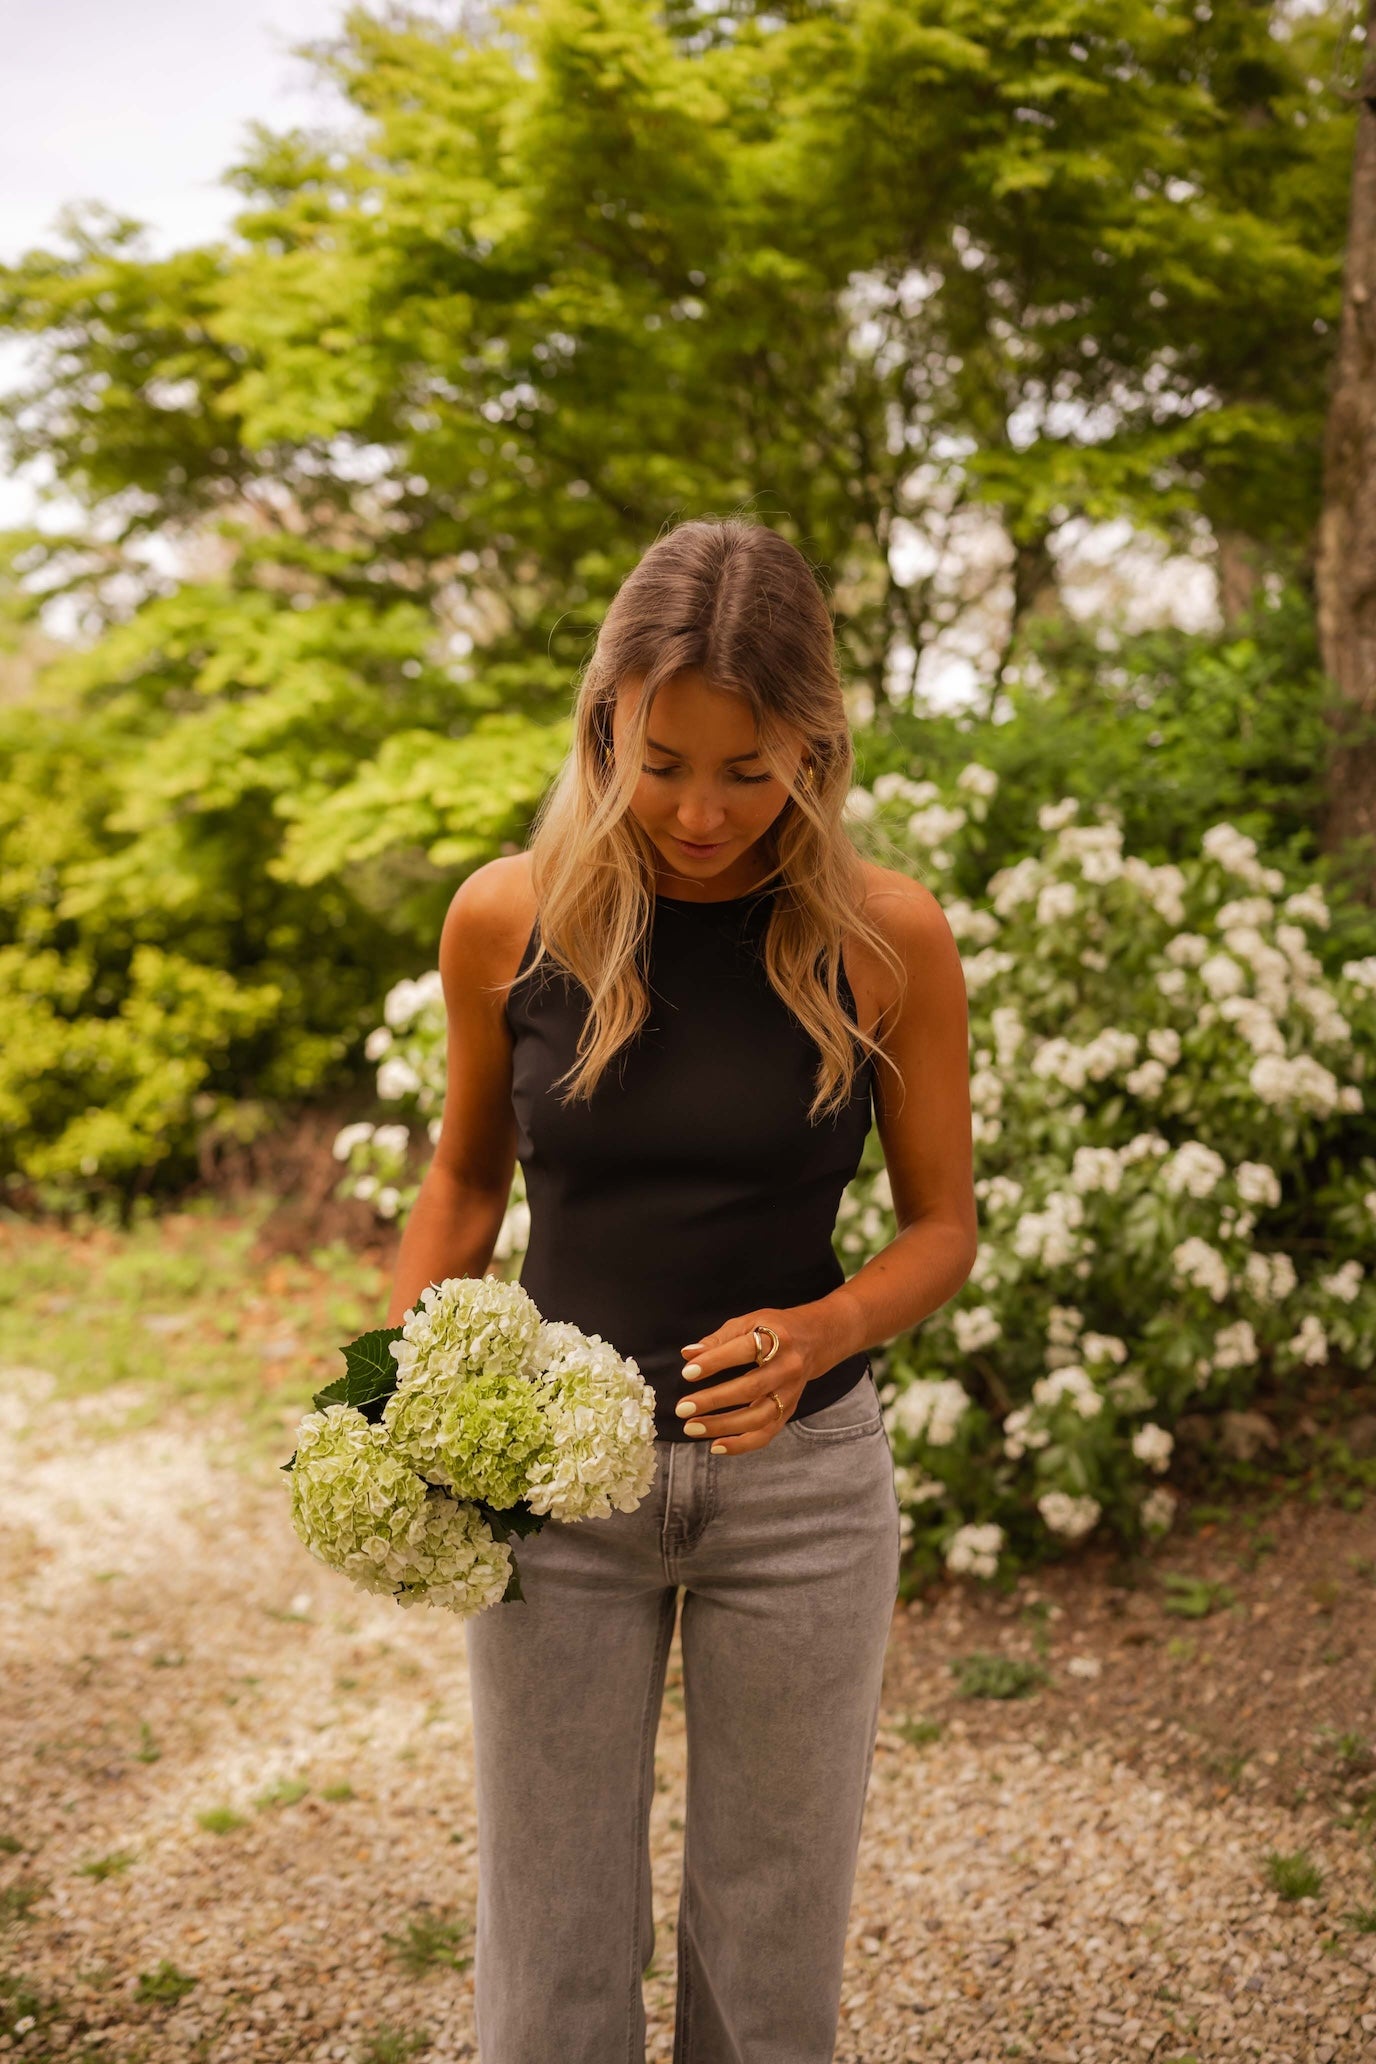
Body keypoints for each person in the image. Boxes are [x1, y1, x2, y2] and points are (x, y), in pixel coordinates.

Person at [384, 516, 976, 2064]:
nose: (702, 812)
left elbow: (941, 1228)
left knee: (772, 1965)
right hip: (552, 1493)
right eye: (661, 764)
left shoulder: (888, 937)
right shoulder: (509, 916)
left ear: (814, 752)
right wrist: (398, 1402)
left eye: (747, 770)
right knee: (551, 1959)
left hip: (805, 1494)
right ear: (604, 728)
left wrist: (827, 1328)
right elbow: (463, 1182)